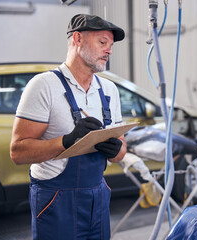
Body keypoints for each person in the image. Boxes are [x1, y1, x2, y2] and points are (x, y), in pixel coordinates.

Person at [10, 14, 127, 240]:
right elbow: (18, 152)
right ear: (78, 39)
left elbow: (121, 152)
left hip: (97, 198)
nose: (109, 50)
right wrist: (67, 140)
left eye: (111, 45)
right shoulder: (44, 86)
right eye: (103, 42)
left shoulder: (109, 90)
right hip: (56, 202)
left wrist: (116, 150)